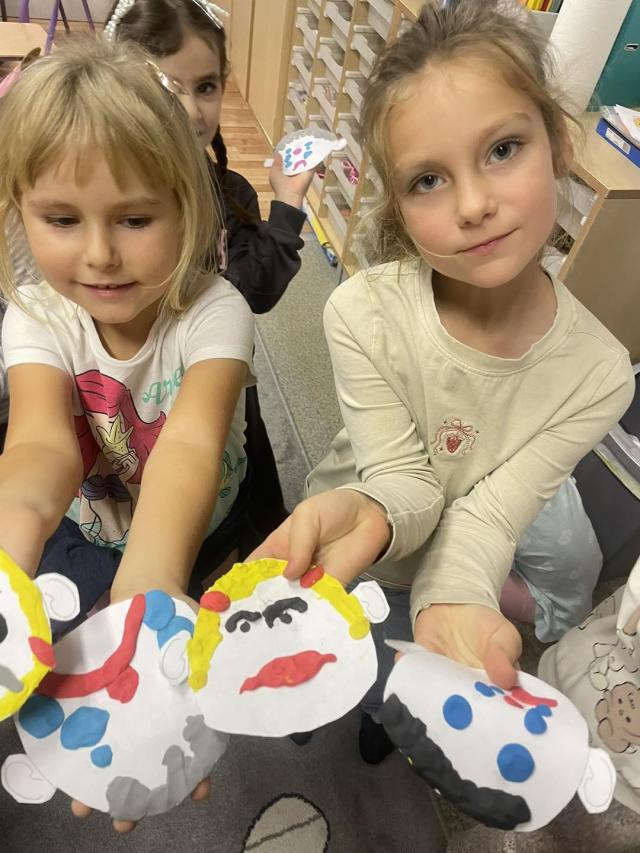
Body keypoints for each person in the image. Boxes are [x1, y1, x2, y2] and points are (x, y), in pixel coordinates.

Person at [249, 0, 636, 763]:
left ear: (559, 141)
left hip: (450, 572)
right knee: (307, 663)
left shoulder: (598, 374)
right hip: (343, 529)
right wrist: (371, 513)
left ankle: (375, 722)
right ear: (397, 204)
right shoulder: (362, 312)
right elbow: (403, 477)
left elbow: (491, 512)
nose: (474, 205)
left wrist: (454, 595)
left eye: (503, 149)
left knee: (396, 688)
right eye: (428, 179)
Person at [0, 37, 255, 816]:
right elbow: (38, 444)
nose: (100, 254)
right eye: (61, 218)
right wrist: (7, 560)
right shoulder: (37, 315)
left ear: (186, 204)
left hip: (197, 521)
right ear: (21, 212)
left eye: (135, 218)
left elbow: (189, 447)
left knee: (192, 637)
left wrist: (145, 598)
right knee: (79, 613)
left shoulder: (216, 314)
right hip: (91, 516)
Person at [105, 0, 315, 538]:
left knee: (244, 512)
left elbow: (256, 292)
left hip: (223, 389)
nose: (192, 110)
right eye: (168, 87)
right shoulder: (99, 199)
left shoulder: (230, 192)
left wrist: (287, 202)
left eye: (206, 87)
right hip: (132, 393)